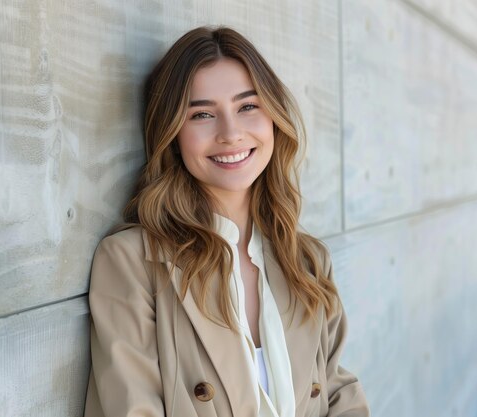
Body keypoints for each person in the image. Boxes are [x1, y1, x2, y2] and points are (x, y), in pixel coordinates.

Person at [83, 26, 369, 417]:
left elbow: (336, 391)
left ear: (274, 116)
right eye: (202, 114)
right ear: (172, 134)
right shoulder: (133, 261)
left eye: (247, 106)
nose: (231, 134)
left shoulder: (307, 260)